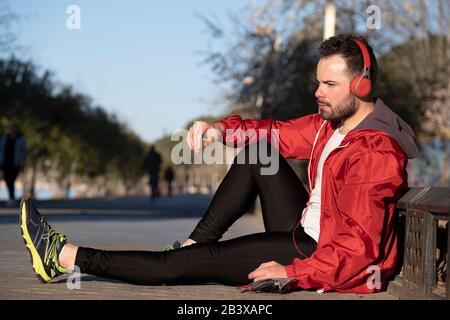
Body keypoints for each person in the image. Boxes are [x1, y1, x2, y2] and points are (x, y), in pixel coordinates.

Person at [19, 34, 418, 294]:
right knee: (257, 153)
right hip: (304, 230)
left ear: (362, 85)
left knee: (181, 265)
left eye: (329, 85)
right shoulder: (326, 125)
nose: (317, 93)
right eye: (317, 82)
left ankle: (64, 256)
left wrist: (295, 272)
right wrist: (219, 131)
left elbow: (357, 247)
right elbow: (273, 134)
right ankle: (195, 245)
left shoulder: (376, 152)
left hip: (316, 253)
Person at [1, 122, 27, 206]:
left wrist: (20, 160)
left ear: (17, 129)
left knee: (12, 179)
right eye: (11, 128)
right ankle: (11, 198)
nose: (12, 130)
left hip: (15, 163)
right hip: (5, 162)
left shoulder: (21, 139)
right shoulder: (6, 138)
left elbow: (24, 151)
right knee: (7, 179)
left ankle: (12, 198)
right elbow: (1, 149)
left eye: (14, 128)